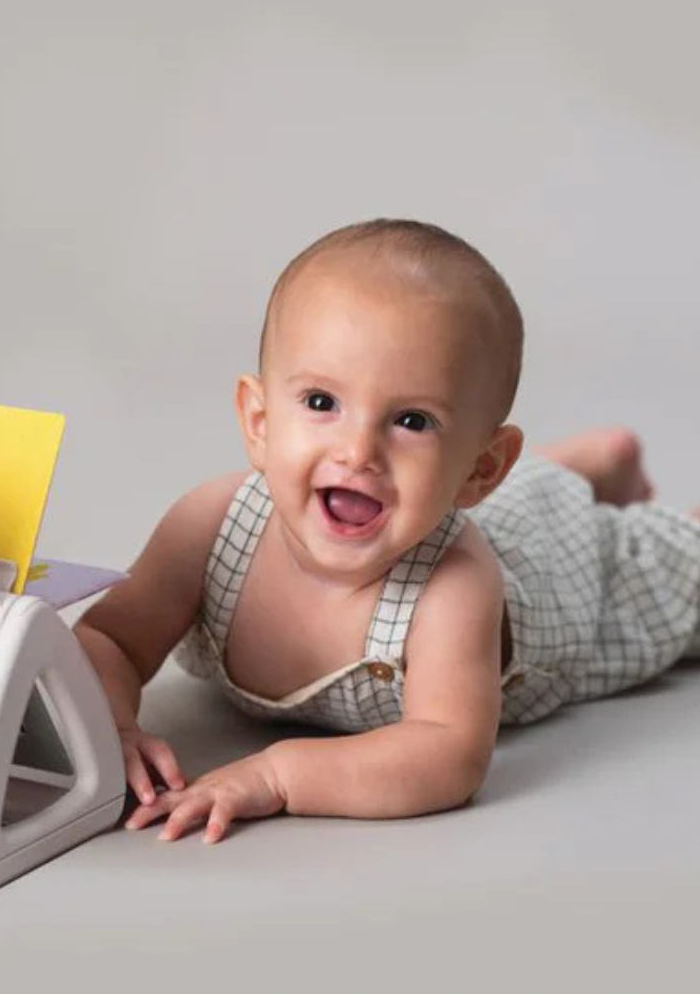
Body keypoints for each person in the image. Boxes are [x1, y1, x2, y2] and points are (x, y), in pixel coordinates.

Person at [74, 219, 700, 843]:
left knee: (668, 567)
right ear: (260, 421)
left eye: (411, 421)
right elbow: (110, 638)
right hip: (465, 502)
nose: (358, 452)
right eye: (322, 403)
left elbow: (448, 754)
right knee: (466, 495)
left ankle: (600, 489)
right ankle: (584, 463)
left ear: (482, 469)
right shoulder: (209, 527)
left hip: (557, 574)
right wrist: (110, 727)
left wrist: (278, 775)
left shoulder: (454, 586)